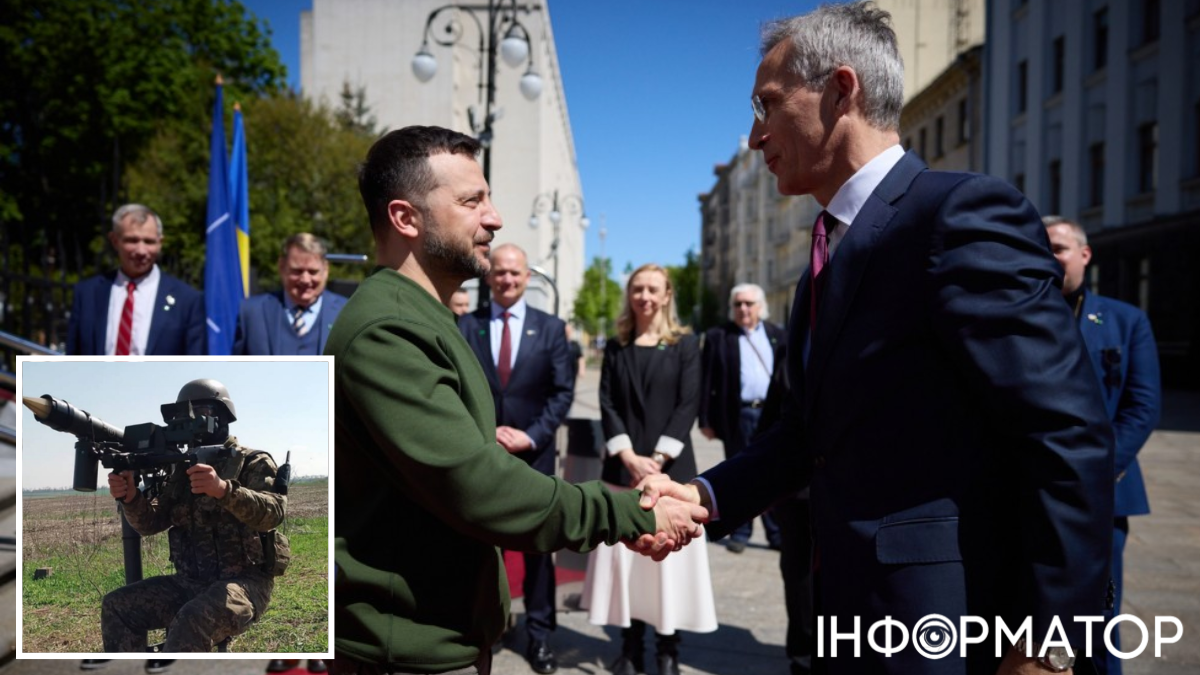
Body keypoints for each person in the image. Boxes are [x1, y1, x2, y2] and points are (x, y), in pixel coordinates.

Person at [637, 4, 1114, 674]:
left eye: (767, 105)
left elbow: (1066, 432)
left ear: (841, 89)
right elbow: (808, 434)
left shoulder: (959, 215)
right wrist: (706, 495)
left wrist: (1050, 643)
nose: (754, 136)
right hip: (855, 622)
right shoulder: (820, 268)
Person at [327, 126, 706, 675]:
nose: (494, 217)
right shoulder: (388, 329)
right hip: (406, 648)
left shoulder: (422, 316)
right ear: (406, 218)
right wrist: (628, 511)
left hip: (441, 633)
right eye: (471, 200)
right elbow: (479, 486)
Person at [583, 264, 717, 675]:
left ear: (666, 295)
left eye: (652, 289)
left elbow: (687, 404)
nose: (644, 296)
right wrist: (627, 456)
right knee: (627, 562)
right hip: (624, 471)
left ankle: (667, 650)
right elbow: (606, 402)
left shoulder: (684, 344)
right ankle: (630, 647)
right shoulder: (619, 344)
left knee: (668, 564)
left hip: (671, 472)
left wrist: (656, 461)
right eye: (637, 288)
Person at [1044, 215, 1162, 675]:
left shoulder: (1127, 321)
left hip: (1102, 495)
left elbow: (1143, 407)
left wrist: (1091, 469)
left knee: (1098, 618)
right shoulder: (1016, 317)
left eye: (1057, 248)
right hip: (1028, 492)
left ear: (1084, 255)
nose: (1049, 258)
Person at [457, 243, 576, 674]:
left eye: (515, 273)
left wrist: (531, 435)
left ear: (528, 278)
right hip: (480, 455)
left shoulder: (550, 328)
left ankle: (540, 634)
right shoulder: (465, 326)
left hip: (535, 456)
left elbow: (562, 393)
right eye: (500, 273)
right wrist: (484, 434)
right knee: (481, 544)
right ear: (489, 277)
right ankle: (489, 626)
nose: (507, 280)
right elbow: (453, 388)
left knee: (538, 548)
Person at [101, 379, 287, 652]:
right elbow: (150, 524)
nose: (188, 421)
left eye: (200, 411)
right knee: (117, 606)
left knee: (194, 618)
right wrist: (132, 498)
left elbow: (273, 513)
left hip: (246, 585)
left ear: (223, 417)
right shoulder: (181, 470)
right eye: (181, 415)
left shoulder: (253, 461)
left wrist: (224, 491)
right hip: (188, 583)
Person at [698, 283, 785, 553]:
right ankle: (741, 531)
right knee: (739, 471)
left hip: (772, 414)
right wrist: (704, 419)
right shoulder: (718, 336)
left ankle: (776, 533)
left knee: (774, 473)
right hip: (738, 415)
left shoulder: (776, 334)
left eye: (749, 303)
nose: (743, 309)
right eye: (738, 304)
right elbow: (706, 379)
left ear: (761, 307)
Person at [67, 204, 205, 355]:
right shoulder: (87, 294)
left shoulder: (187, 300)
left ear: (160, 243)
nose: (141, 250)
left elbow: (194, 365)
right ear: (114, 241)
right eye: (132, 240)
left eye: (149, 242)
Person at [232, 233, 347, 355]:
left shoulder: (345, 312)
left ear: (325, 270)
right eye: (297, 271)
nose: (305, 279)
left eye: (313, 272)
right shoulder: (251, 312)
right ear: (282, 267)